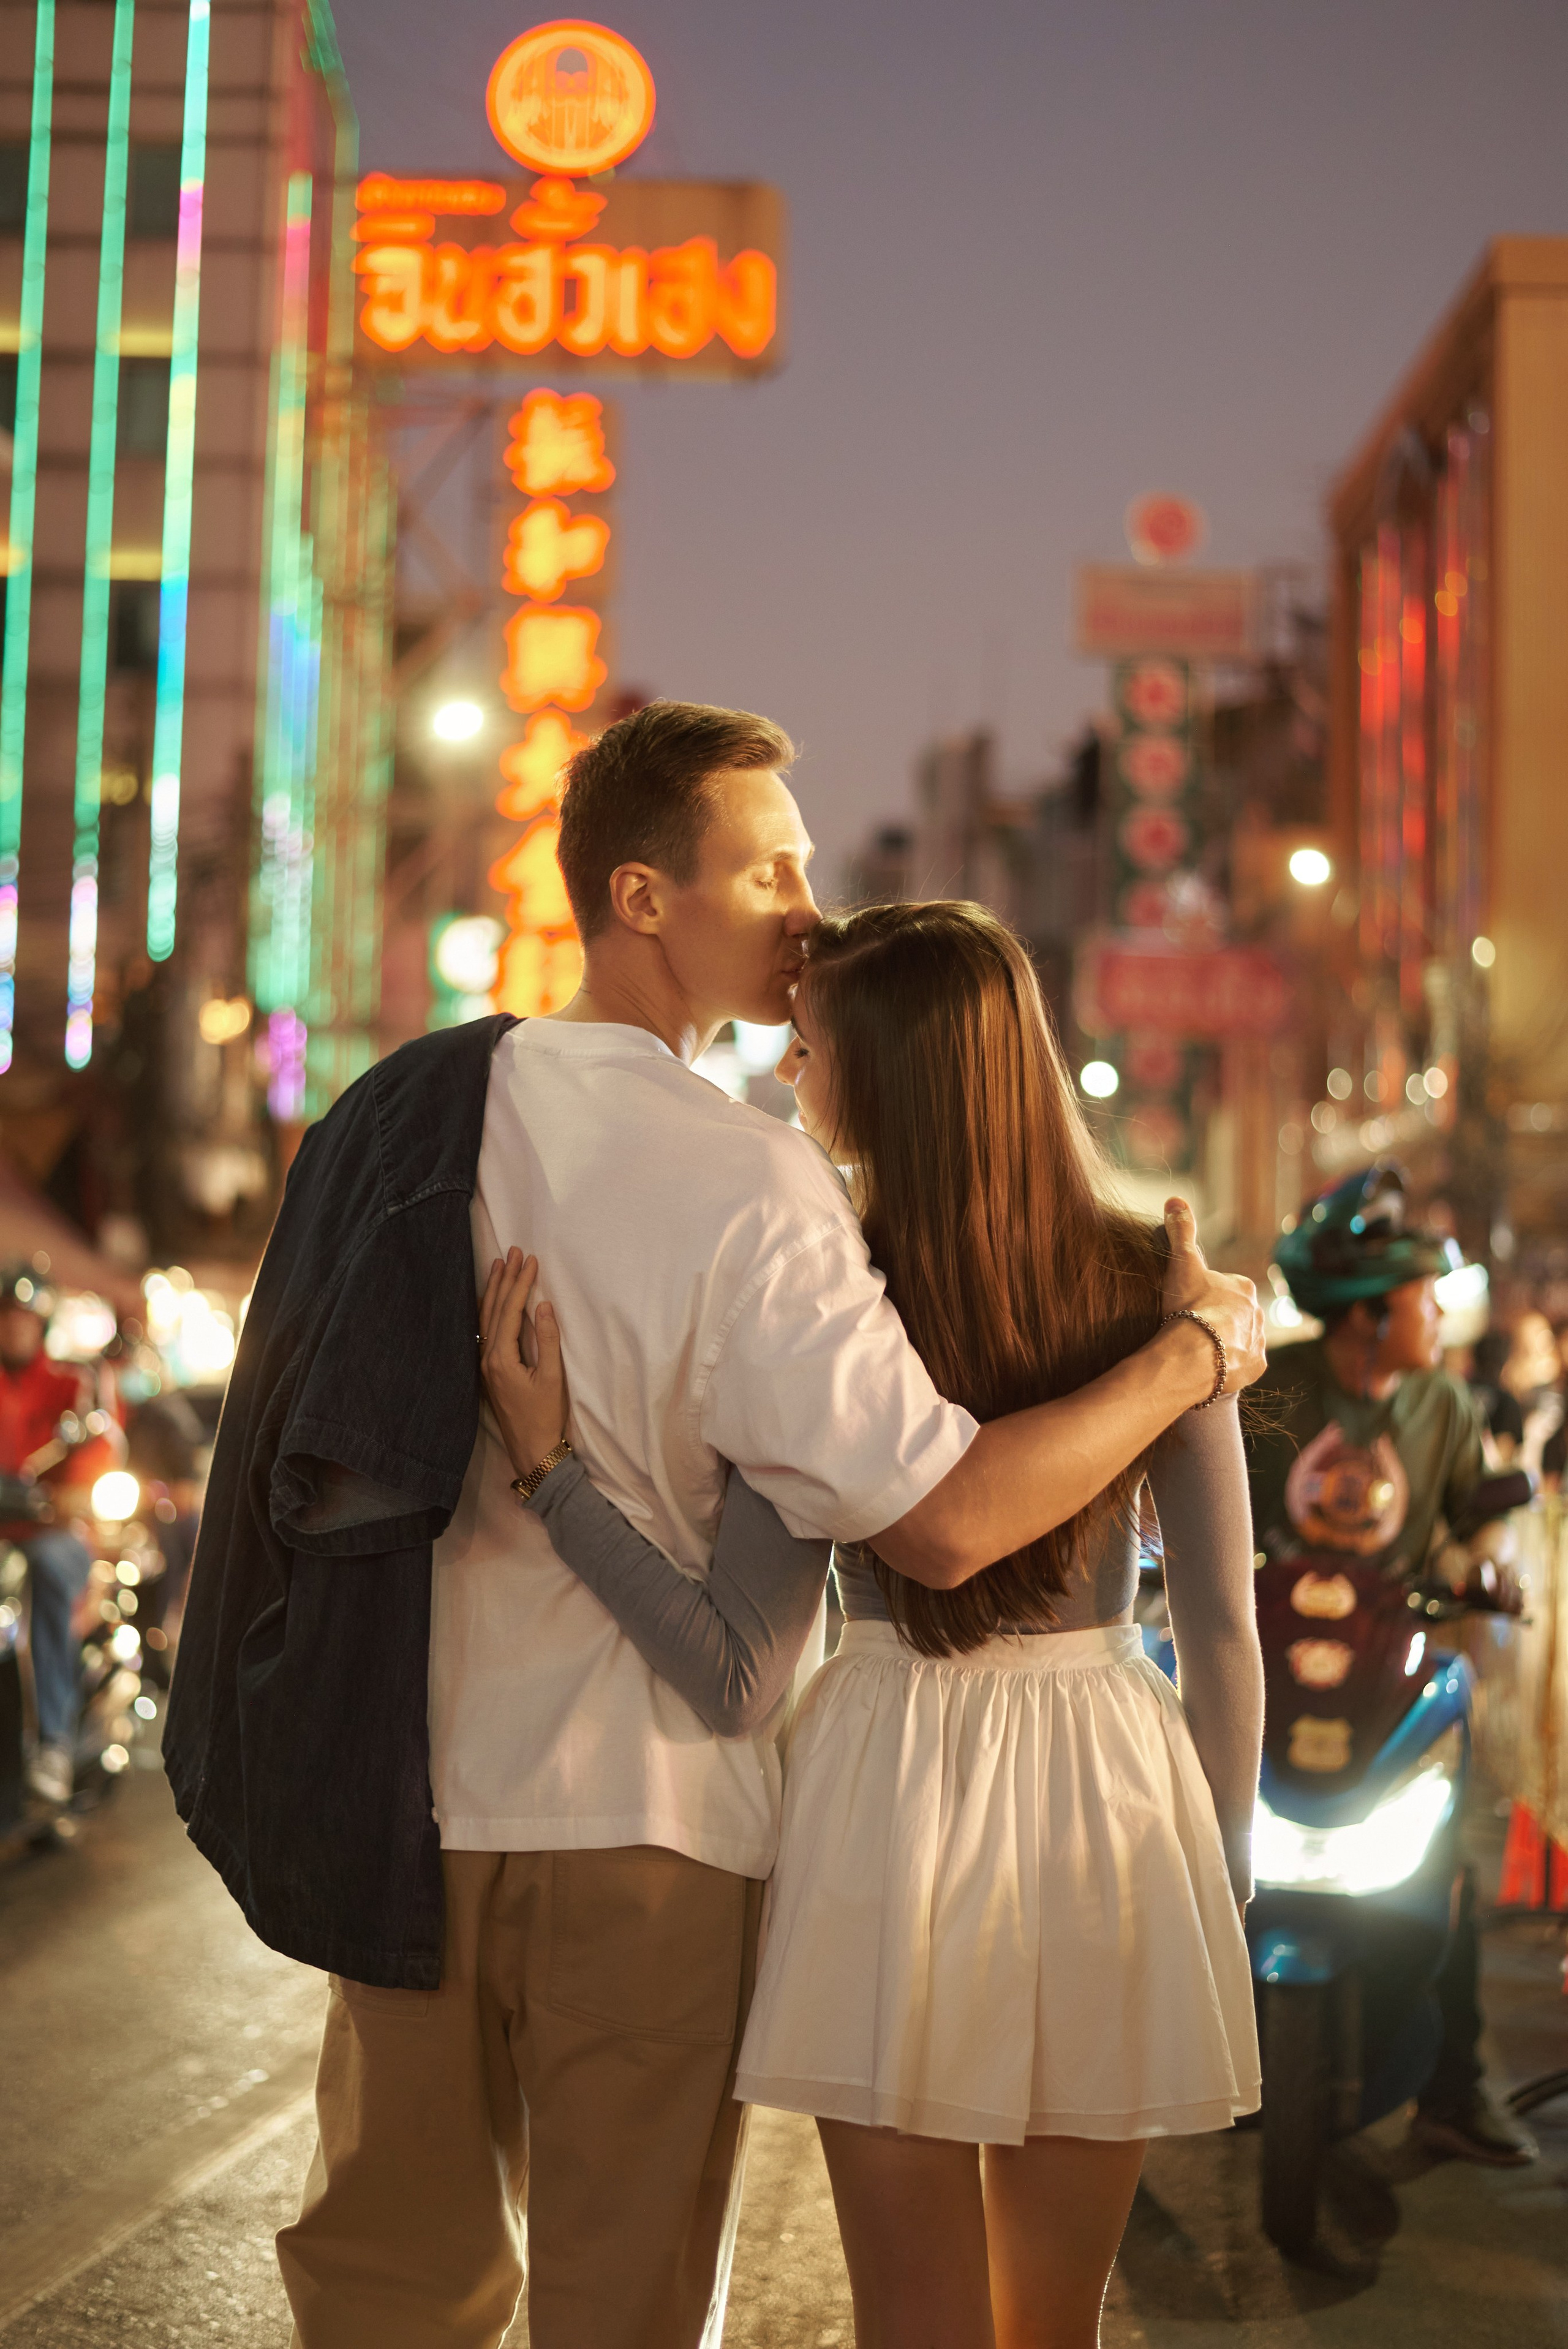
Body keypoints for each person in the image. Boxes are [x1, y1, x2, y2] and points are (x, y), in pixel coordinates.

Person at [249, 702, 1265, 2349]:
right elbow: (942, 1524)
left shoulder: (402, 1115)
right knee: (639, 2302)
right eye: (773, 865)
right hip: (668, 1824)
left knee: (389, 2288)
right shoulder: (768, 1186)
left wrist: (551, 1466)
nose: (805, 912)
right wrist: (1193, 1349)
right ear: (645, 897)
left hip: (414, 1801)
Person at [476, 898, 1265, 2349]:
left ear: (892, 1072)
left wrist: (550, 1474)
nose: (785, 1070)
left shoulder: (832, 1292)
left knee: (912, 2318)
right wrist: (1222, 1854)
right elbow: (1220, 1621)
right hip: (1107, 1780)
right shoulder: (1149, 1289)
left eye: (807, 1040)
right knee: (1054, 2320)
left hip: (887, 1777)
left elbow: (734, 1655)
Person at [1254, 1164, 1536, 2167]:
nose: (1437, 1314)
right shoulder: (1267, 1391)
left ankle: (1452, 2090)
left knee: (1437, 1869)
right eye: (1423, 1297)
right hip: (1263, 1672)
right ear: (1370, 1314)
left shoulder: (1445, 1406)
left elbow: (1477, 1527)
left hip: (1395, 1676)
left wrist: (1490, 1572)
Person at [0, 1266, 97, 1807]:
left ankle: (54, 1740)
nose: (15, 1328)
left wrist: (70, 1493)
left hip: (49, 1530)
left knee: (49, 1571)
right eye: (6, 1318)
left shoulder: (69, 1383)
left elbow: (97, 1449)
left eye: (24, 1318)